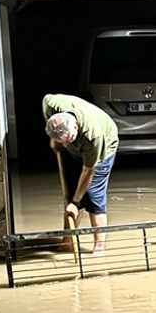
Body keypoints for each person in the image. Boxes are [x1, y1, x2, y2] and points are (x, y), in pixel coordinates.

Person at [42, 93, 119, 254]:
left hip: (104, 149)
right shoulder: (53, 104)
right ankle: (68, 240)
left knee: (92, 195)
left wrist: (76, 203)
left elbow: (88, 171)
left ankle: (99, 246)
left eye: (68, 139)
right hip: (76, 151)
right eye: (62, 140)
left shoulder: (94, 137)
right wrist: (54, 141)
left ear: (76, 127)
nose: (65, 143)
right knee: (70, 194)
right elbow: (45, 100)